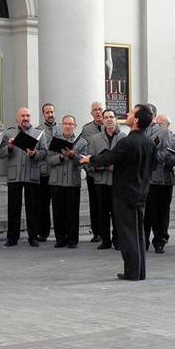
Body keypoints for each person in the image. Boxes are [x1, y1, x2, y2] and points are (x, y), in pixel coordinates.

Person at [81, 104, 157, 281]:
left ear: (136, 120)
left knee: (127, 234)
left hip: (124, 193)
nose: (128, 115)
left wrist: (89, 159)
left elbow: (109, 158)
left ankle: (132, 272)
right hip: (142, 191)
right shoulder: (149, 143)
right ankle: (139, 271)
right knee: (138, 233)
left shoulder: (127, 141)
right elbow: (152, 165)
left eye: (131, 113)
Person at [0, 107, 47, 247]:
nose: (25, 118)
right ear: (17, 118)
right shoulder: (9, 133)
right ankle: (12, 238)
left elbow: (44, 153)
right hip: (15, 175)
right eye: (23, 116)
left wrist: (34, 154)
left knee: (33, 207)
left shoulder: (39, 133)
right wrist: (10, 147)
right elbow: (1, 154)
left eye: (28, 115)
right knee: (14, 207)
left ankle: (33, 237)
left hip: (32, 174)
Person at [47, 115, 88, 248]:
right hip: (57, 181)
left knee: (72, 212)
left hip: (72, 181)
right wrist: (60, 156)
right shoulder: (55, 142)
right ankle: (60, 238)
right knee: (58, 211)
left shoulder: (81, 142)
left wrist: (73, 156)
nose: (68, 126)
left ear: (75, 126)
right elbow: (49, 160)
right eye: (65, 123)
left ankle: (72, 239)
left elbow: (82, 162)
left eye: (71, 124)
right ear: (61, 125)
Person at [87, 109, 125, 250]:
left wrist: (117, 168)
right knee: (102, 212)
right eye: (106, 117)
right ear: (102, 121)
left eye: (111, 117)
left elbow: (128, 161)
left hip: (117, 182)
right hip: (101, 181)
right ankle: (105, 240)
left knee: (117, 213)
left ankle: (118, 240)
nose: (109, 120)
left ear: (115, 119)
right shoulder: (95, 139)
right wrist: (104, 167)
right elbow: (89, 161)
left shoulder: (123, 138)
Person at [144, 113, 175, 254]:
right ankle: (144, 240)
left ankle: (160, 240)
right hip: (149, 179)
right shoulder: (147, 134)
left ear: (167, 125)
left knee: (162, 212)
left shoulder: (174, 138)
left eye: (161, 124)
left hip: (164, 180)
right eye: (156, 123)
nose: (157, 126)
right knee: (147, 212)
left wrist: (165, 157)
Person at [81, 101, 106, 242]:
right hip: (93, 172)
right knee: (94, 203)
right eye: (95, 110)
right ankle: (97, 232)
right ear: (91, 113)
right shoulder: (87, 129)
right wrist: (88, 167)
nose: (98, 112)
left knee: (106, 204)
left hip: (107, 172)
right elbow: (84, 149)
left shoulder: (112, 126)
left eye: (100, 109)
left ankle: (108, 232)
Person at [36, 103, 60, 241]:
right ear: (43, 114)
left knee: (59, 205)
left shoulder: (62, 128)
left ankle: (60, 233)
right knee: (43, 205)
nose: (50, 115)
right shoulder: (38, 131)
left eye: (52, 112)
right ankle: (43, 232)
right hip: (44, 172)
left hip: (58, 171)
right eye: (47, 112)